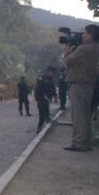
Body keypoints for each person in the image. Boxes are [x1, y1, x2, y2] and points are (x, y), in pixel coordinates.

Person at [63, 24, 99, 152]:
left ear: (90, 35)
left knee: (78, 116)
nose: (83, 36)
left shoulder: (84, 49)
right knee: (85, 116)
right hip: (88, 85)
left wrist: (66, 52)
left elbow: (68, 62)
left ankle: (79, 143)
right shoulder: (95, 49)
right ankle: (86, 142)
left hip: (79, 84)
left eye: (85, 33)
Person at [33, 67, 56, 134]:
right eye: (52, 73)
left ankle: (46, 126)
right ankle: (39, 128)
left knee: (46, 113)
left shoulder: (51, 79)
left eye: (53, 73)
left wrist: (55, 96)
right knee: (42, 114)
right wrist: (44, 96)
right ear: (48, 72)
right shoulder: (41, 78)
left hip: (47, 99)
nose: (53, 74)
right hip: (41, 99)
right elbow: (39, 89)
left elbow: (52, 88)